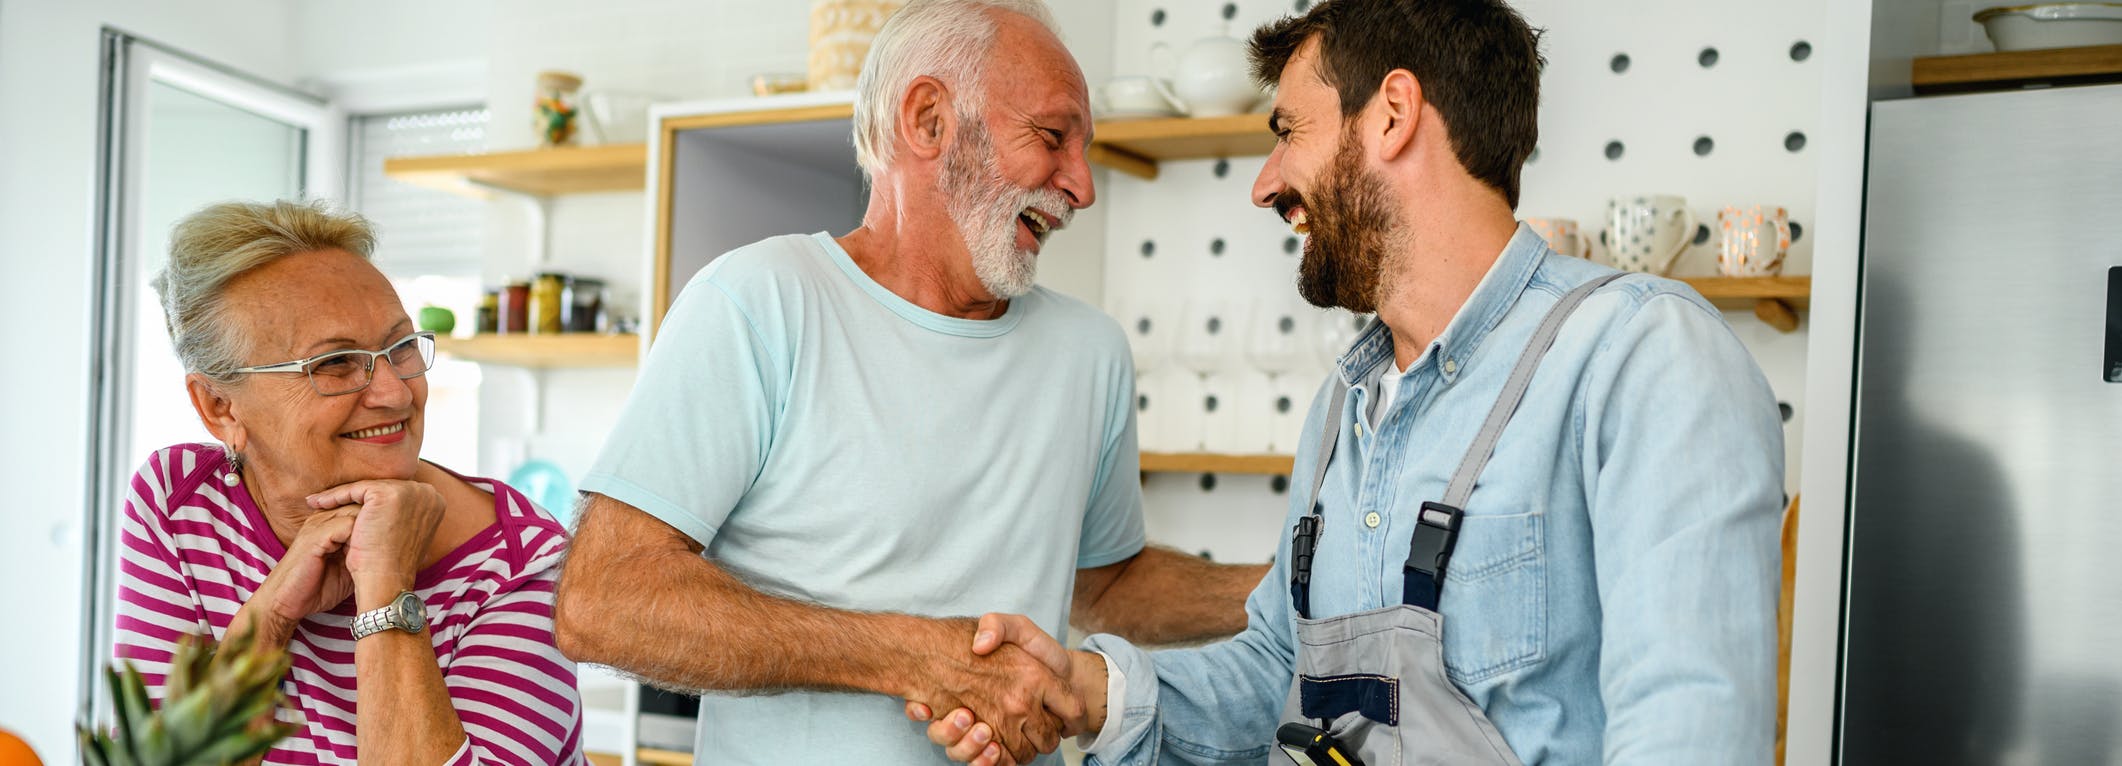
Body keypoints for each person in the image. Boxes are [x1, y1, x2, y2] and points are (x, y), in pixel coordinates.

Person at [920, 1, 1785, 763]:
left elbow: (1690, 728)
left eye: (1289, 132)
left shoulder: (1641, 356)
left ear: (1393, 115)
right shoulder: (1349, 405)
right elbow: (1280, 674)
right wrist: (1089, 693)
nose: (1265, 186)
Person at [551, 1, 1267, 764]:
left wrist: (1300, 588)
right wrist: (915, 655)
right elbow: (604, 602)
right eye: (1053, 138)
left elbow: (1107, 584)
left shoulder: (1091, 353)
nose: (1082, 187)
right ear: (929, 120)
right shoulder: (761, 301)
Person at [113, 200, 586, 765]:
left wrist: (385, 584)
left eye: (401, 347)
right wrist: (271, 616)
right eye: (336, 363)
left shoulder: (522, 562)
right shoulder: (181, 502)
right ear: (220, 408)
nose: (396, 392)